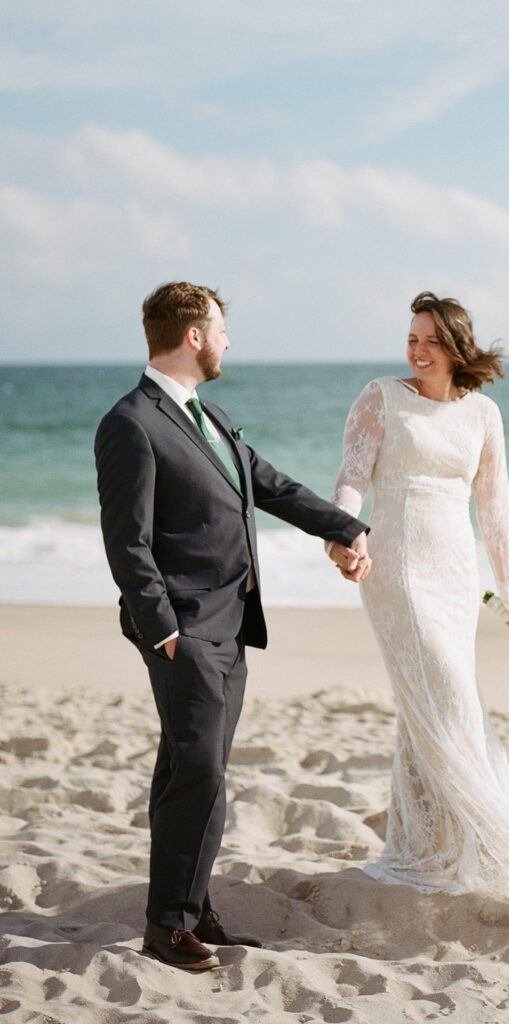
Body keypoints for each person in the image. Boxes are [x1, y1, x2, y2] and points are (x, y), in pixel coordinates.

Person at [95, 282, 370, 971]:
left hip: (232, 622)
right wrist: (162, 628)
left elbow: (269, 486)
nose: (227, 341)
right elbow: (127, 541)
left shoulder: (209, 415)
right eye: (221, 329)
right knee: (197, 773)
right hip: (183, 631)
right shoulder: (131, 422)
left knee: (194, 771)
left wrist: (345, 528)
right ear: (193, 335)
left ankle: (190, 907)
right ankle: (168, 928)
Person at [327, 291, 509, 900]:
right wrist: (342, 532)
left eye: (431, 341)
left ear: (457, 347)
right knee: (449, 695)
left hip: (456, 573)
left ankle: (427, 846)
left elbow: (495, 511)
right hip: (396, 568)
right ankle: (494, 840)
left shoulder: (483, 414)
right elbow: (352, 477)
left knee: (432, 703)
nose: (418, 351)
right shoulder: (380, 397)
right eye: (412, 339)